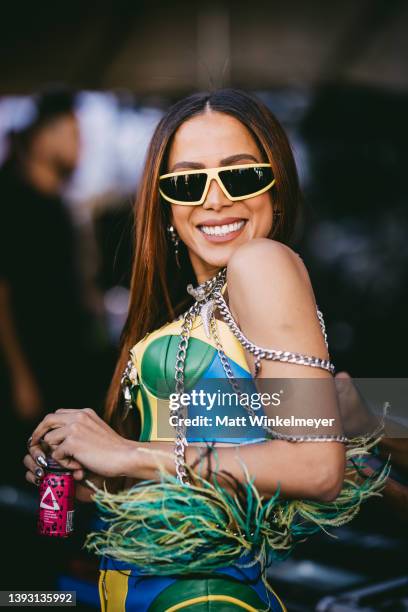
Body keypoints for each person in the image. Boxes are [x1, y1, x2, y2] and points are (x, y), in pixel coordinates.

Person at [24, 90, 386, 611]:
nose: (214, 199)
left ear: (277, 191)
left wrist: (126, 452)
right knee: (23, 597)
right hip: (140, 588)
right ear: (166, 204)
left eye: (240, 176)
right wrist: (100, 477)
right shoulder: (193, 309)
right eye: (189, 181)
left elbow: (315, 467)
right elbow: (203, 464)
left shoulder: (261, 263)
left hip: (206, 595)